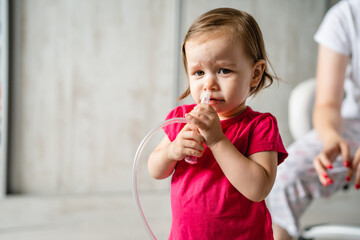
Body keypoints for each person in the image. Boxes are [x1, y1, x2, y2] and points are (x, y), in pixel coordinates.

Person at [148, 8, 288, 239]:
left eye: (224, 70)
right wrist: (172, 151)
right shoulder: (182, 118)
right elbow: (155, 170)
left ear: (255, 73)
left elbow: (258, 189)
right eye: (199, 72)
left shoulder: (260, 126)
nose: (208, 84)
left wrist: (217, 139)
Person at [268, 1, 360, 239]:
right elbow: (328, 104)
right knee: (282, 178)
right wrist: (331, 137)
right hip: (353, 125)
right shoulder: (347, 15)